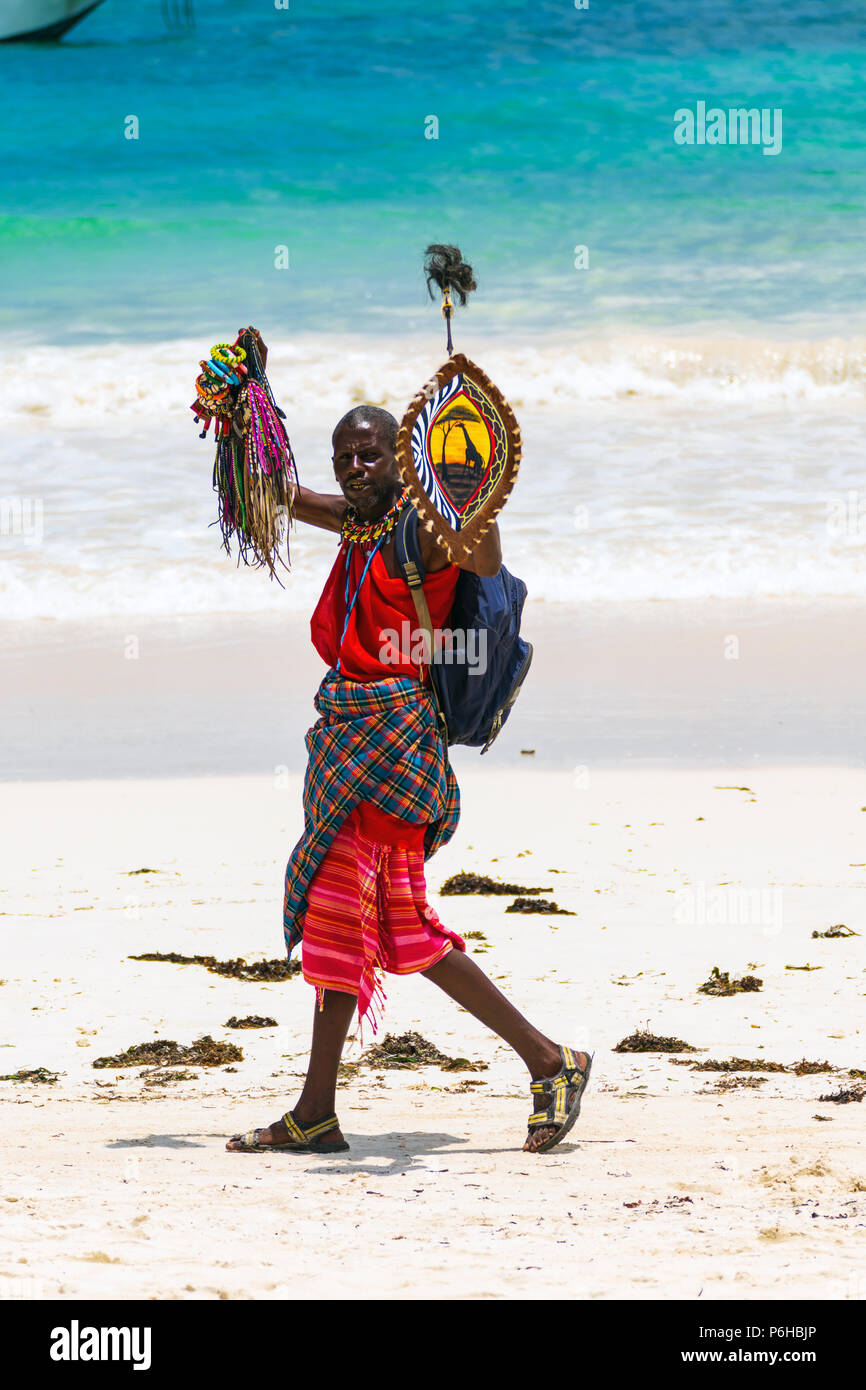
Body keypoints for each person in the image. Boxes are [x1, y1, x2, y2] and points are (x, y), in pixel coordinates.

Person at [227, 335, 591, 1157]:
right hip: (344, 740)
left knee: (391, 921)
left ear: (400, 457)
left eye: (369, 454)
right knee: (351, 920)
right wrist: (249, 397)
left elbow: (483, 554)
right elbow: (272, 490)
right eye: (344, 456)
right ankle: (322, 1109)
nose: (354, 467)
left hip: (394, 741)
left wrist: (467, 499)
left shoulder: (425, 530)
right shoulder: (352, 524)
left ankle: (548, 1059)